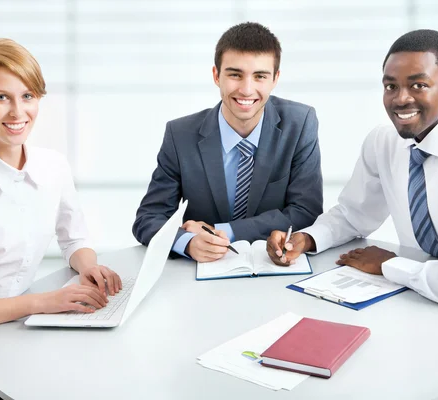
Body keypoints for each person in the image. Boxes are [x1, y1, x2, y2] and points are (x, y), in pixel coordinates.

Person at [266, 29, 438, 363]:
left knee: (389, 358)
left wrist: (388, 264)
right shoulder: (384, 142)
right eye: (390, 86)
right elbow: (353, 214)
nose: (401, 98)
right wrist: (306, 238)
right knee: (330, 337)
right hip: (427, 289)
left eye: (418, 85)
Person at [0, 38, 122, 398]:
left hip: (15, 332)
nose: (18, 112)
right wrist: (44, 304)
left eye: (28, 96)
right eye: (1, 98)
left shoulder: (53, 166)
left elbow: (74, 238)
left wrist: (88, 265)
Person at [132, 22, 323, 263]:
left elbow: (306, 212)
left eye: (260, 76)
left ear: (275, 79)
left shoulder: (300, 123)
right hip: (201, 275)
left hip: (272, 270)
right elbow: (149, 218)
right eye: (235, 75)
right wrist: (187, 242)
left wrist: (226, 231)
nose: (246, 89)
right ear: (216, 76)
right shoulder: (180, 135)